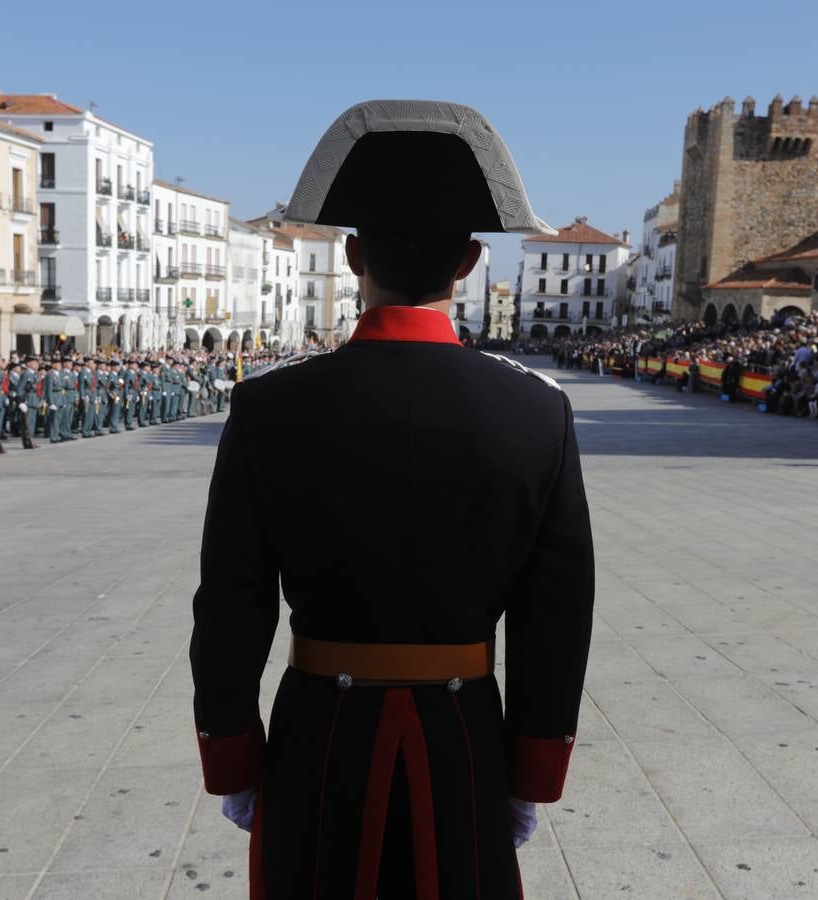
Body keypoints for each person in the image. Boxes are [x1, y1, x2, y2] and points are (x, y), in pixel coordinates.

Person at [190, 99, 595, 898]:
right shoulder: (536, 411)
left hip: (319, 740)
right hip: (464, 741)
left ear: (349, 255)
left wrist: (233, 756)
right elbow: (557, 616)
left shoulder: (269, 407)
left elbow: (232, 605)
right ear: (471, 262)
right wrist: (532, 770)